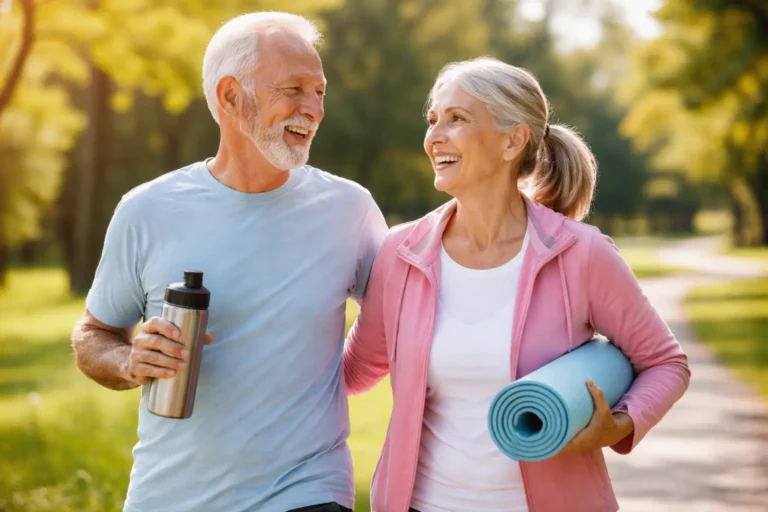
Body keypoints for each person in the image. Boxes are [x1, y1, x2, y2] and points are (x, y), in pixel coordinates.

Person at [343, 57, 691, 512]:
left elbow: (666, 362)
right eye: (432, 120)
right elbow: (353, 371)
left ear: (512, 141)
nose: (434, 136)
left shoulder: (580, 254)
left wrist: (620, 424)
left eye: (457, 119)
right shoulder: (401, 253)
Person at [70, 12, 387, 512]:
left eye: (320, 92)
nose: (314, 109)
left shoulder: (350, 210)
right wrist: (130, 361)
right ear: (230, 96)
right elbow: (93, 334)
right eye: (294, 89)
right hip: (170, 494)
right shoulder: (147, 210)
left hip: (307, 487)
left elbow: (404, 317)